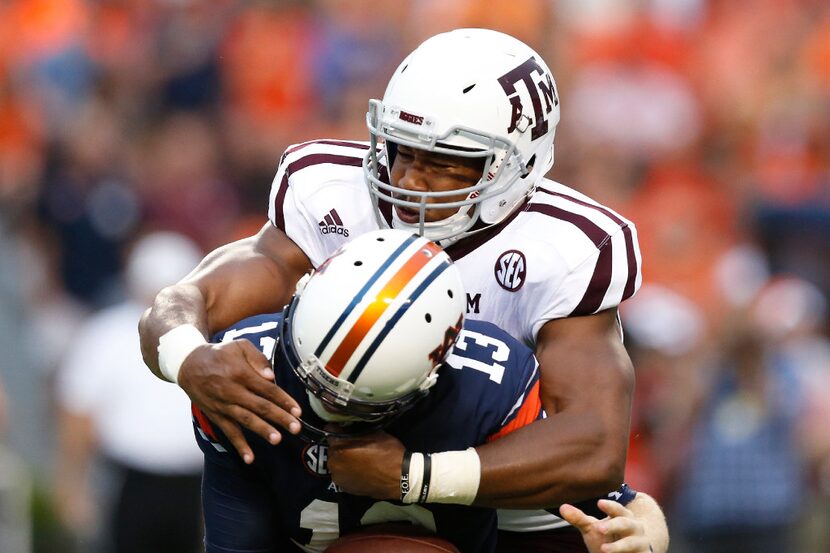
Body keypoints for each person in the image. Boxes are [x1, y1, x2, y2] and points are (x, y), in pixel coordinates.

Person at [139, 28, 642, 550]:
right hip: (317, 448)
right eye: (402, 149)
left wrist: (414, 477)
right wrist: (188, 357)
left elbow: (594, 449)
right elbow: (187, 300)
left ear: (517, 164)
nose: (410, 180)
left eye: (445, 161)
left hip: (490, 479)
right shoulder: (330, 190)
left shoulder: (570, 247)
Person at [195, 229, 662, 553]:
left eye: (354, 402)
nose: (325, 406)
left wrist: (639, 538)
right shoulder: (241, 376)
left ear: (430, 379)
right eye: (310, 377)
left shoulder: (489, 393)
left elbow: (626, 507)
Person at [55, 232, 205, 553]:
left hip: (198, 483)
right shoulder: (105, 333)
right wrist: (73, 486)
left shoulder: (211, 337)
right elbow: (78, 415)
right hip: (128, 481)